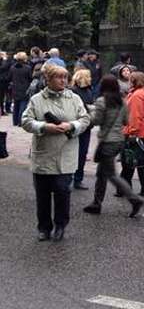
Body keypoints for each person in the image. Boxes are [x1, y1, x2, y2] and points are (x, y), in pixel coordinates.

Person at [21, 64, 91, 242]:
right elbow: (26, 121)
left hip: (66, 154)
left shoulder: (74, 98)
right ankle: (44, 228)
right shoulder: (37, 99)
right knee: (42, 195)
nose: (63, 81)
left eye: (65, 77)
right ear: (48, 79)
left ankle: (60, 225)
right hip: (43, 154)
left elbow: (85, 119)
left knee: (62, 192)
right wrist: (44, 126)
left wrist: (72, 125)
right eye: (59, 77)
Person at [82, 75, 144, 218]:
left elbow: (96, 121)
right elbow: (126, 121)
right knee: (101, 173)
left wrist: (89, 112)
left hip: (107, 142)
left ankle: (134, 199)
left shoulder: (101, 101)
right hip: (119, 141)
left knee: (111, 174)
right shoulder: (122, 101)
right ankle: (96, 203)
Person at [120, 72, 144, 197]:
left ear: (134, 81)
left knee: (130, 161)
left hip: (136, 132)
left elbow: (135, 115)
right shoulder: (143, 92)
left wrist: (132, 132)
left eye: (131, 80)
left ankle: (125, 188)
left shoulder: (137, 95)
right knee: (141, 162)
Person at [70, 69, 95, 190]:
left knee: (82, 153)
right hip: (77, 124)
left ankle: (78, 178)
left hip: (85, 125)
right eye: (88, 76)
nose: (90, 78)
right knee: (76, 152)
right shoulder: (73, 91)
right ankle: (73, 178)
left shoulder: (88, 90)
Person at [9, 52, 32, 126]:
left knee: (16, 105)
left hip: (15, 88)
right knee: (23, 105)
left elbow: (9, 78)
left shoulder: (12, 67)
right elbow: (30, 78)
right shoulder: (28, 68)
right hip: (24, 88)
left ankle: (15, 121)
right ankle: (20, 121)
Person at [0, 51, 11, 116]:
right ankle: (2, 111)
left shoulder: (4, 61)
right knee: (1, 96)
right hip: (1, 81)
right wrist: (4, 60)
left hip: (4, 81)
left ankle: (2, 111)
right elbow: (3, 67)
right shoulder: (3, 61)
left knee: (2, 96)